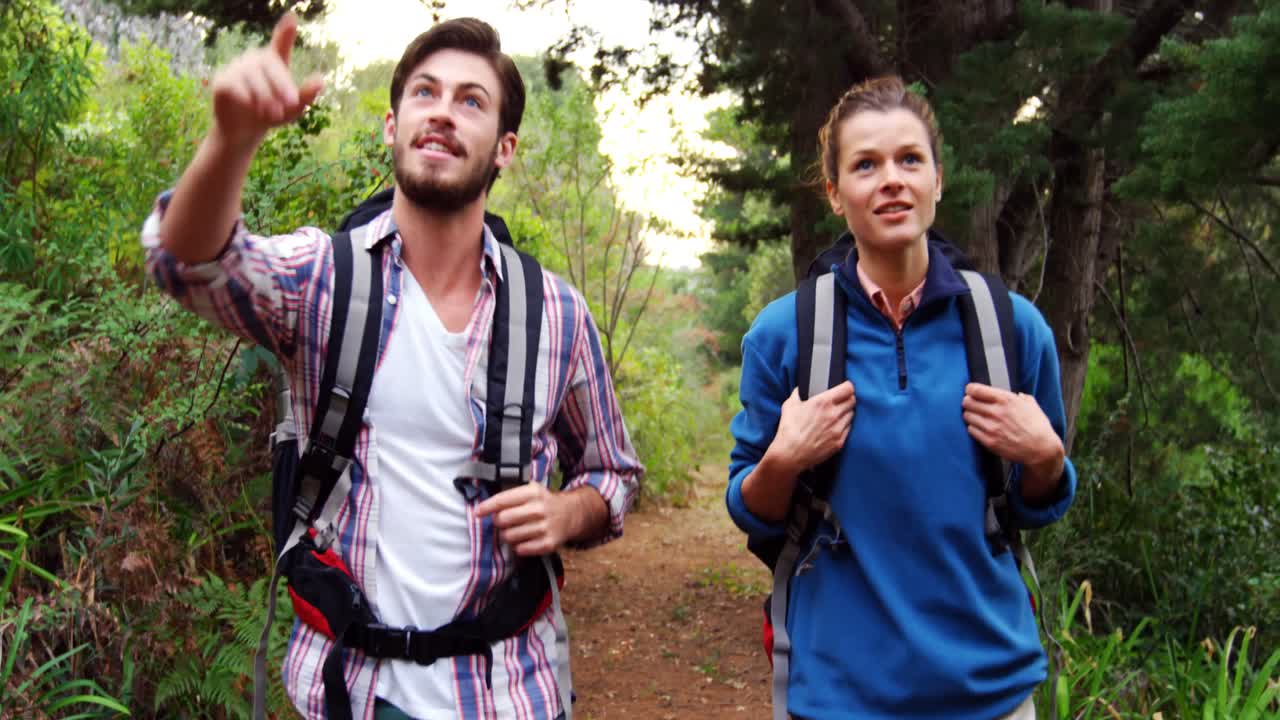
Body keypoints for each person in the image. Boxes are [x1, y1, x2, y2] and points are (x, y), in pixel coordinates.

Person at [141, 14, 642, 720]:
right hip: (351, 693)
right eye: (425, 93)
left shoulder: (555, 313)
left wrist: (568, 510)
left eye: (471, 100)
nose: (442, 111)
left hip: (512, 692)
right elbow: (187, 263)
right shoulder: (324, 280)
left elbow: (613, 471)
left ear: (504, 148)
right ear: (391, 125)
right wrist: (232, 140)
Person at [726, 76, 1077, 720]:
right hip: (839, 696)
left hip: (992, 693)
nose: (891, 180)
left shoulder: (1010, 329)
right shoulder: (785, 335)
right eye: (866, 164)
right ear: (835, 193)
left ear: (937, 181)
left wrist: (1048, 459)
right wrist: (782, 460)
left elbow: (1036, 506)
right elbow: (752, 512)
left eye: (910, 160)